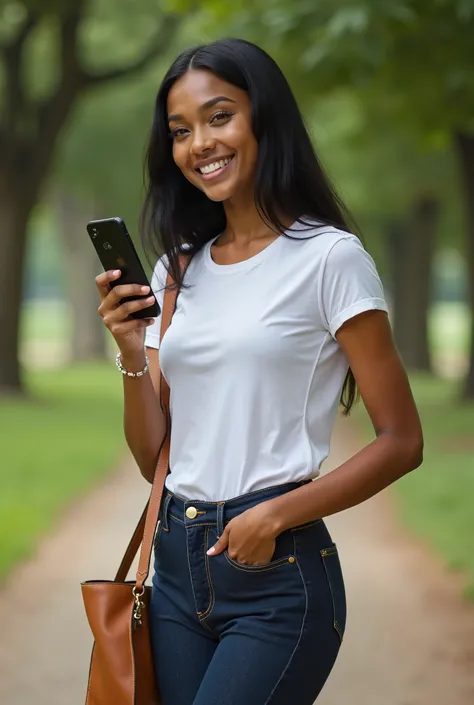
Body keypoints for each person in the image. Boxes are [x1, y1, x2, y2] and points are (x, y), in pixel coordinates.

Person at [95, 38, 423, 705]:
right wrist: (132, 352)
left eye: (220, 117)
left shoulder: (330, 259)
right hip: (176, 570)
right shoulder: (175, 272)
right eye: (181, 131)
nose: (199, 144)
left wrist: (273, 514)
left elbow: (402, 440)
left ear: (264, 119)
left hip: (277, 572)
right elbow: (152, 457)